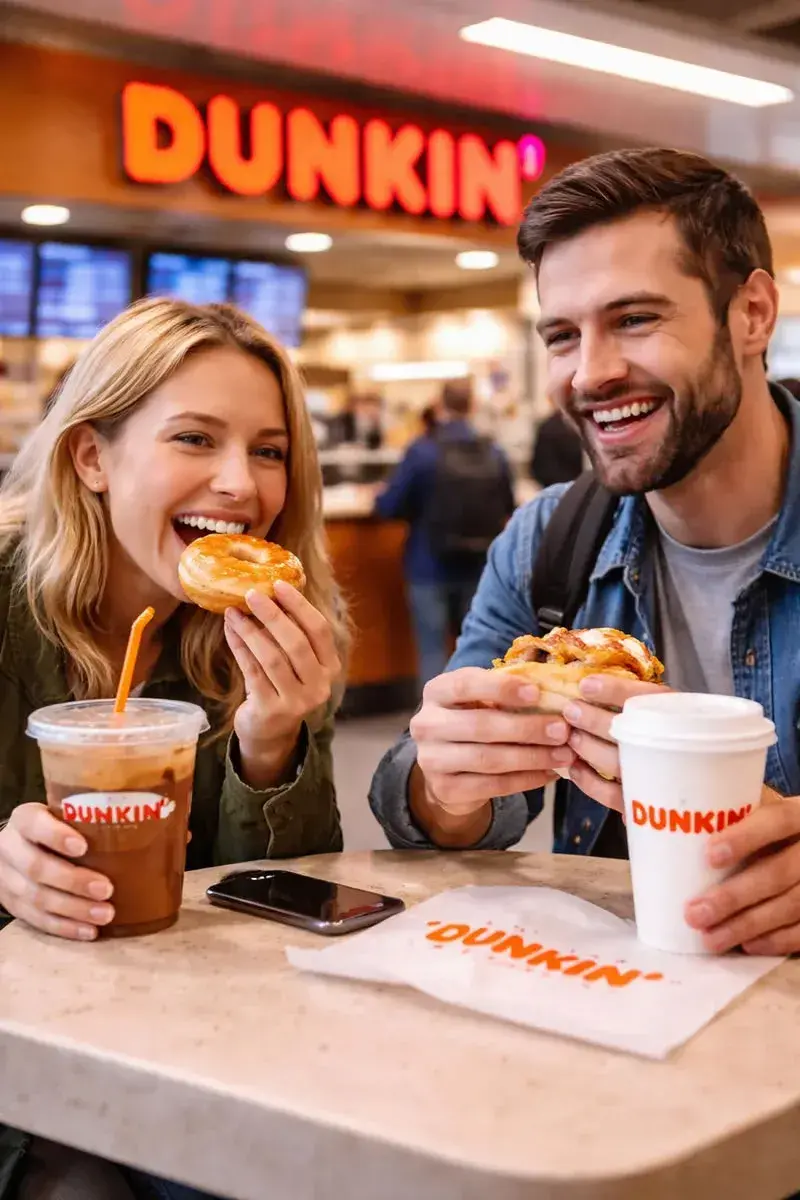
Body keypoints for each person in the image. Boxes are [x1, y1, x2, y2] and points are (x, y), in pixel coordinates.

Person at [370, 146, 800, 960]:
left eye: (635, 319)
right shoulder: (546, 543)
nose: (591, 374)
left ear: (751, 314)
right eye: (563, 336)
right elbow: (428, 812)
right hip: (614, 1021)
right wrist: (448, 786)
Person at [0, 297, 349, 1199]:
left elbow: (280, 909)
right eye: (195, 439)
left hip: (195, 1036)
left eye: (268, 451)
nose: (241, 485)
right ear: (92, 457)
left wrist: (271, 743)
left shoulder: (272, 633)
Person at [374, 379, 516, 688]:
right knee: (482, 650)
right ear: (473, 406)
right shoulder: (494, 451)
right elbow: (508, 504)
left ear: (440, 405)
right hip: (481, 566)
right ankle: (480, 722)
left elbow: (388, 506)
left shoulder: (422, 451)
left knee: (433, 652)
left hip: (429, 565)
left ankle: (432, 725)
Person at [529, 401, 584, 488]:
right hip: (575, 484)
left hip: (553, 483)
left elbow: (536, 466)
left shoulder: (547, 426)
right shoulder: (575, 427)